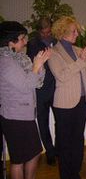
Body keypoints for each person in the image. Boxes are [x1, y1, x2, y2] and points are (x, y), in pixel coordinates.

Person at [48, 16, 86, 179]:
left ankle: (76, 177)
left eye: (77, 30)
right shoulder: (54, 52)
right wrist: (80, 61)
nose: (77, 34)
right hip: (64, 104)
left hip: (82, 101)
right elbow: (62, 76)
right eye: (73, 31)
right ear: (62, 32)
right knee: (65, 144)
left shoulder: (78, 49)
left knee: (78, 141)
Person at [0, 21, 51, 179]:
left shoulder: (21, 58)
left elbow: (37, 83)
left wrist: (40, 65)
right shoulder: (5, 61)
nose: (25, 42)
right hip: (14, 116)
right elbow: (24, 85)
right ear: (10, 42)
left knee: (33, 153)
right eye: (21, 39)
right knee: (19, 158)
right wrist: (36, 68)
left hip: (25, 114)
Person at [26, 17, 58, 165]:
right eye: (44, 33)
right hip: (41, 90)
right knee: (43, 123)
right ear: (39, 31)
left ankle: (59, 149)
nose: (47, 35)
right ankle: (50, 152)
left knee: (60, 121)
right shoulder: (32, 44)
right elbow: (33, 67)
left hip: (57, 88)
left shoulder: (56, 41)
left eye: (49, 32)